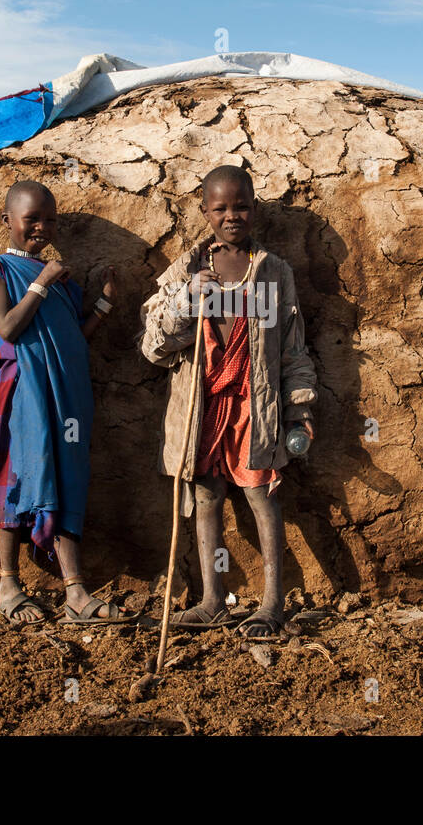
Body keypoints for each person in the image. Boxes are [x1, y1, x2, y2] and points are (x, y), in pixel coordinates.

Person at [139, 164, 317, 637]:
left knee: (262, 493)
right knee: (205, 495)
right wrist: (185, 303)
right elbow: (154, 347)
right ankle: (213, 600)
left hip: (253, 406)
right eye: (220, 208)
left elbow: (293, 349)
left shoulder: (274, 272)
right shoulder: (188, 270)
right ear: (204, 212)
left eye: (241, 206)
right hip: (202, 408)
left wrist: (299, 411)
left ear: (254, 209)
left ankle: (272, 604)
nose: (231, 216)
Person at [0, 179, 125, 625]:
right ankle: (7, 582)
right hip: (23, 397)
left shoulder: (60, 282)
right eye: (31, 219)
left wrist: (103, 305)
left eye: (50, 220)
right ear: (7, 221)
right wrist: (42, 280)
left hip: (65, 396)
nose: (41, 227)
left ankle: (75, 591)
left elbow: (72, 339)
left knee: (63, 475)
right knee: (16, 474)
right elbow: (8, 328)